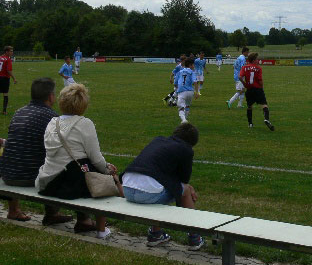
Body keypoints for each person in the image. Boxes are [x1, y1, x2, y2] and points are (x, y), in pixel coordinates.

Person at [35, 83, 122, 239]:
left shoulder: (52, 122)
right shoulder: (85, 124)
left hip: (47, 182)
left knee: (78, 166)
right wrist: (108, 170)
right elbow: (96, 157)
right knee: (96, 174)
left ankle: (58, 215)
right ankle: (94, 225)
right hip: (69, 186)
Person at [120, 122, 205, 250]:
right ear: (192, 142)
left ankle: (156, 234)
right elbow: (184, 180)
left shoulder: (158, 140)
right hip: (146, 193)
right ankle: (195, 237)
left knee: (158, 186)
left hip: (127, 188)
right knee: (186, 191)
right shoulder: (186, 150)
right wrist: (188, 187)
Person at [0, 78, 73, 226]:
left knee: (19, 155)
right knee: (63, 165)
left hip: (7, 174)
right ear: (50, 96)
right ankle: (54, 214)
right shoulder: (51, 117)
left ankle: (13, 210)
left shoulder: (19, 112)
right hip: (29, 177)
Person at [238, 53, 274, 130]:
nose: (258, 60)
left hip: (249, 90)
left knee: (249, 106)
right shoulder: (258, 68)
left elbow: (240, 77)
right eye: (257, 59)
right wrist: (262, 87)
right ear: (253, 60)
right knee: (264, 104)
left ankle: (250, 123)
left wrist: (244, 84)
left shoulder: (244, 67)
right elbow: (260, 80)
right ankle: (266, 119)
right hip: (258, 89)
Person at [176, 58, 197, 123]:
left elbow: (175, 82)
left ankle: (184, 120)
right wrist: (197, 92)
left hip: (182, 91)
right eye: (193, 65)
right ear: (190, 65)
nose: (194, 66)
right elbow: (195, 82)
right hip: (190, 92)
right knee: (187, 106)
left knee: (181, 108)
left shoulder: (180, 72)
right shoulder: (192, 72)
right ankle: (185, 121)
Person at [0, 46, 17, 115]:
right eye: (11, 51)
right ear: (6, 52)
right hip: (4, 78)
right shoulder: (8, 59)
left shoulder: (0, 57)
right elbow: (9, 70)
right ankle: (4, 111)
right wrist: (14, 78)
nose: (12, 52)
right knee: (5, 94)